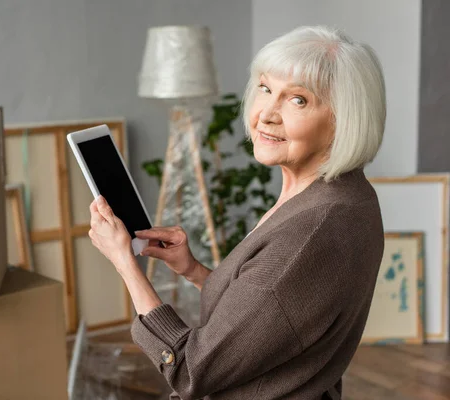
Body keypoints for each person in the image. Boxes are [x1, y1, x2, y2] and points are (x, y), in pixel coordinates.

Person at [88, 25, 386, 399]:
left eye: (298, 100)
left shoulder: (312, 229)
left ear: (345, 119)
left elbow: (191, 369)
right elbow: (271, 315)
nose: (267, 115)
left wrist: (124, 263)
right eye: (265, 88)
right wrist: (192, 270)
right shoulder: (340, 195)